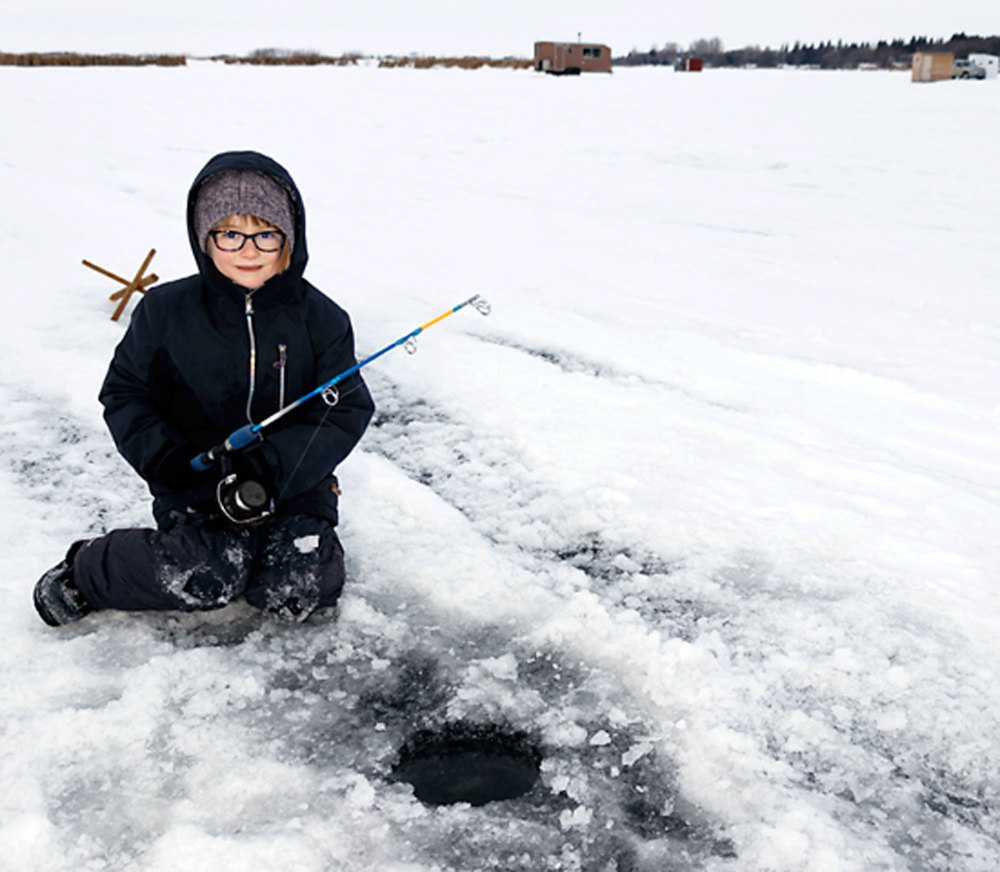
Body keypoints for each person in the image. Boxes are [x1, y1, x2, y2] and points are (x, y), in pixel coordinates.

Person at [33, 150, 375, 626]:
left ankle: (288, 548)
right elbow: (125, 394)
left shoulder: (322, 319)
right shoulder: (164, 311)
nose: (249, 250)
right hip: (197, 485)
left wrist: (274, 465)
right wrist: (166, 460)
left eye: (265, 234)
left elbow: (344, 409)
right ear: (204, 239)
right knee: (206, 576)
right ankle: (91, 569)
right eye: (230, 234)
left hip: (295, 484)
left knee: (298, 591)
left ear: (289, 239)